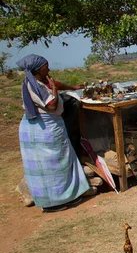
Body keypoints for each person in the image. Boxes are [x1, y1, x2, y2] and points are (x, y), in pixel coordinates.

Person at [16, 54, 90, 212]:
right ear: (38, 69)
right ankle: (53, 203)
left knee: (54, 165)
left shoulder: (38, 82)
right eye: (46, 67)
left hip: (45, 127)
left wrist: (72, 88)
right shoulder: (34, 86)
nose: (48, 69)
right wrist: (54, 90)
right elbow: (51, 106)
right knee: (50, 167)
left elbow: (53, 82)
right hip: (43, 130)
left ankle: (62, 197)